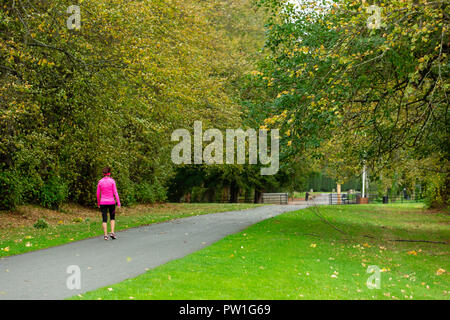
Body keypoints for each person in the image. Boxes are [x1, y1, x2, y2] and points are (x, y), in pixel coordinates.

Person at [96, 167, 121, 240]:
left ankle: (105, 235)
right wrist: (118, 203)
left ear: (103, 174)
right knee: (112, 218)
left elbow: (98, 194)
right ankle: (112, 232)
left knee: (104, 219)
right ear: (109, 173)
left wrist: (98, 203)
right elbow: (115, 192)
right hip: (111, 202)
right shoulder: (112, 181)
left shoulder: (100, 182)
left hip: (103, 202)